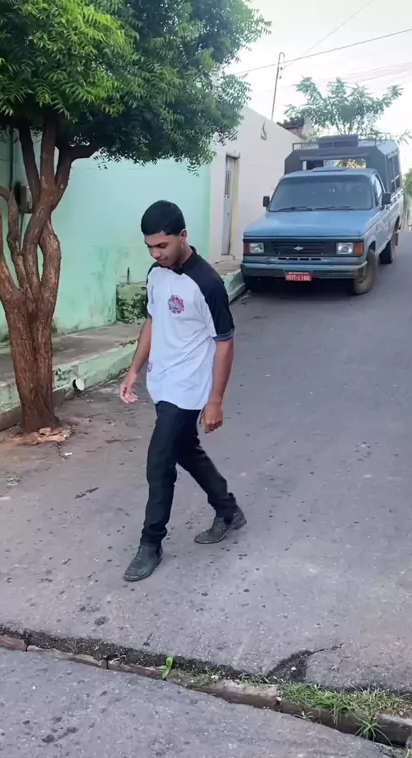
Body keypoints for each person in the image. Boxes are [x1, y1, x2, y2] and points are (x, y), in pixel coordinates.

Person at [120, 200, 245, 582]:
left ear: (183, 236)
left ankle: (151, 544)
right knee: (185, 449)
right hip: (161, 382)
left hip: (189, 388)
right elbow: (153, 321)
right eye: (150, 247)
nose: (156, 254)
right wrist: (134, 369)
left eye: (163, 246)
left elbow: (224, 342)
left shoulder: (207, 283)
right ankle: (228, 510)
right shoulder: (156, 274)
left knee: (159, 462)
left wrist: (215, 400)